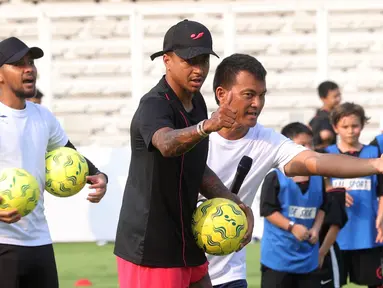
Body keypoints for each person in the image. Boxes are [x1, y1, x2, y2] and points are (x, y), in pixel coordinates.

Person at [203, 53, 383, 288]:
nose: (257, 103)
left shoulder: (267, 140)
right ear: (221, 94)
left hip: (230, 273)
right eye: (249, 95)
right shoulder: (194, 137)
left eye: (262, 95)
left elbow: (315, 161)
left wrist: (376, 165)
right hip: (184, 266)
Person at [113, 20, 254, 288]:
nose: (199, 69)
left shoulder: (197, 101)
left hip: (187, 240)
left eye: (203, 60)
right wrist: (206, 126)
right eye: (190, 60)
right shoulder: (153, 104)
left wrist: (234, 202)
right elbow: (166, 144)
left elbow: (194, 166)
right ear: (167, 60)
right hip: (151, 248)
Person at [0, 36, 108, 288]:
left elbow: (69, 152)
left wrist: (99, 175)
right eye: (18, 64)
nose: (29, 69)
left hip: (39, 241)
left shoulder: (42, 116)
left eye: (31, 62)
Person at [260, 122, 348, 288]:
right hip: (278, 258)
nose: (308, 149)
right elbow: (268, 210)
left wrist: (316, 228)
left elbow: (322, 207)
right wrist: (293, 227)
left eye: (310, 144)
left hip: (307, 258)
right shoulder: (275, 176)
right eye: (302, 145)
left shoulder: (317, 177)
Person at [325, 102, 383, 288]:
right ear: (335, 127)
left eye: (355, 126)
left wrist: (382, 214)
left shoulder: (374, 153)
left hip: (368, 233)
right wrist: (332, 192)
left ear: (362, 126)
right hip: (336, 236)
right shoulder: (326, 155)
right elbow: (320, 188)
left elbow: (381, 190)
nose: (351, 131)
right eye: (345, 126)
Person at [309, 81, 341, 150]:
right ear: (323, 98)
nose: (339, 99)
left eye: (339, 95)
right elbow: (325, 135)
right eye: (335, 97)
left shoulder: (320, 115)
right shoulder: (323, 118)